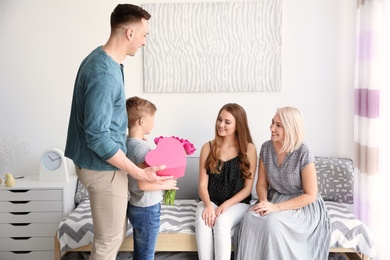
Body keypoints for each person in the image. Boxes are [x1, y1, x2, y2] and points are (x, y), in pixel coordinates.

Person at [64, 4, 172, 260]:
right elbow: (97, 135)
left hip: (100, 166)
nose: (145, 42)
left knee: (112, 235)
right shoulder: (104, 74)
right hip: (103, 169)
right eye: (144, 35)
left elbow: (104, 123)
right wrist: (137, 171)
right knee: (108, 241)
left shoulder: (102, 62)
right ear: (129, 33)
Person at [233, 107, 331, 260]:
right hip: (274, 198)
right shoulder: (266, 148)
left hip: (301, 205)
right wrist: (264, 202)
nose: (272, 128)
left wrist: (275, 208)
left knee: (273, 223)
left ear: (290, 128)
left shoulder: (303, 152)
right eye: (272, 123)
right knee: (250, 218)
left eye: (278, 125)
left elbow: (310, 195)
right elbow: (261, 185)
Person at [195, 103, 257, 260]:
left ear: (238, 125)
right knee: (203, 221)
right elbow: (202, 186)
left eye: (227, 122)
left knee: (221, 223)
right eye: (219, 120)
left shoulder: (249, 149)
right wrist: (208, 205)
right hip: (211, 200)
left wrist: (226, 205)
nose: (221, 125)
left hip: (237, 203)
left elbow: (247, 189)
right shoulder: (207, 147)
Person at [125, 96, 178, 260]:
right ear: (142, 121)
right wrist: (166, 184)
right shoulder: (141, 148)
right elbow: (144, 184)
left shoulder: (128, 143)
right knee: (146, 255)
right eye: (152, 119)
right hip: (147, 208)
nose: (154, 123)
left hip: (135, 205)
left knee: (140, 252)